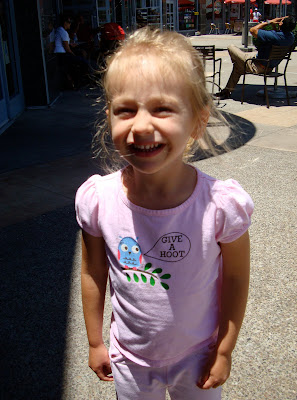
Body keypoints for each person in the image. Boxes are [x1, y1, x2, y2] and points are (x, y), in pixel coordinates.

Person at [75, 28, 254, 400]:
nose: (141, 125)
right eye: (125, 109)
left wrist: (224, 348)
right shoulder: (99, 200)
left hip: (199, 353)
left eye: (162, 108)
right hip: (130, 359)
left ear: (198, 119)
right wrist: (95, 341)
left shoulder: (219, 205)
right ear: (109, 117)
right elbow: (93, 271)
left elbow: (236, 277)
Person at [215, 15, 296, 100]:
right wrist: (274, 25)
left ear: (281, 24)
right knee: (238, 68)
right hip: (269, 66)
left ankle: (238, 64)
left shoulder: (274, 36)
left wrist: (269, 22)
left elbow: (252, 30)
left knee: (230, 47)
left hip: (257, 66)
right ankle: (226, 92)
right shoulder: (290, 37)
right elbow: (277, 36)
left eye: (281, 21)